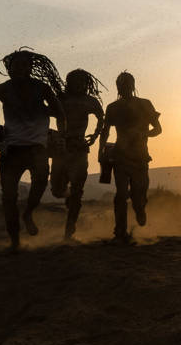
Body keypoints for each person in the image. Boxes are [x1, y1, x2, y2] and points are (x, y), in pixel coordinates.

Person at [0, 48, 66, 252]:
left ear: (30, 68)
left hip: (38, 149)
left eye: (24, 65)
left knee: (40, 184)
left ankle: (28, 213)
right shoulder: (2, 89)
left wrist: (61, 137)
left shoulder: (42, 88)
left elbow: (61, 113)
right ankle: (15, 241)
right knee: (8, 197)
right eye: (15, 66)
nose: (19, 69)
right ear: (10, 69)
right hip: (11, 151)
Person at [99, 71, 161, 242]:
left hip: (140, 156)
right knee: (120, 194)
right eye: (121, 84)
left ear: (133, 85)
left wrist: (143, 134)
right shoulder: (113, 107)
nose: (125, 87)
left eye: (127, 84)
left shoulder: (145, 104)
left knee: (139, 195)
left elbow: (158, 129)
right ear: (118, 87)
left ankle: (140, 210)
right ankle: (120, 232)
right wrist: (101, 152)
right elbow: (105, 131)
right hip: (120, 156)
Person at [51, 69, 105, 240]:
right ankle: (68, 196)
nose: (78, 84)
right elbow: (45, 112)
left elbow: (102, 118)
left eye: (82, 81)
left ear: (86, 83)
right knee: (57, 190)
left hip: (80, 148)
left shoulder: (89, 101)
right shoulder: (60, 99)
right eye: (75, 81)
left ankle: (70, 228)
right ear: (69, 82)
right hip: (60, 148)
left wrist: (95, 136)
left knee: (77, 190)